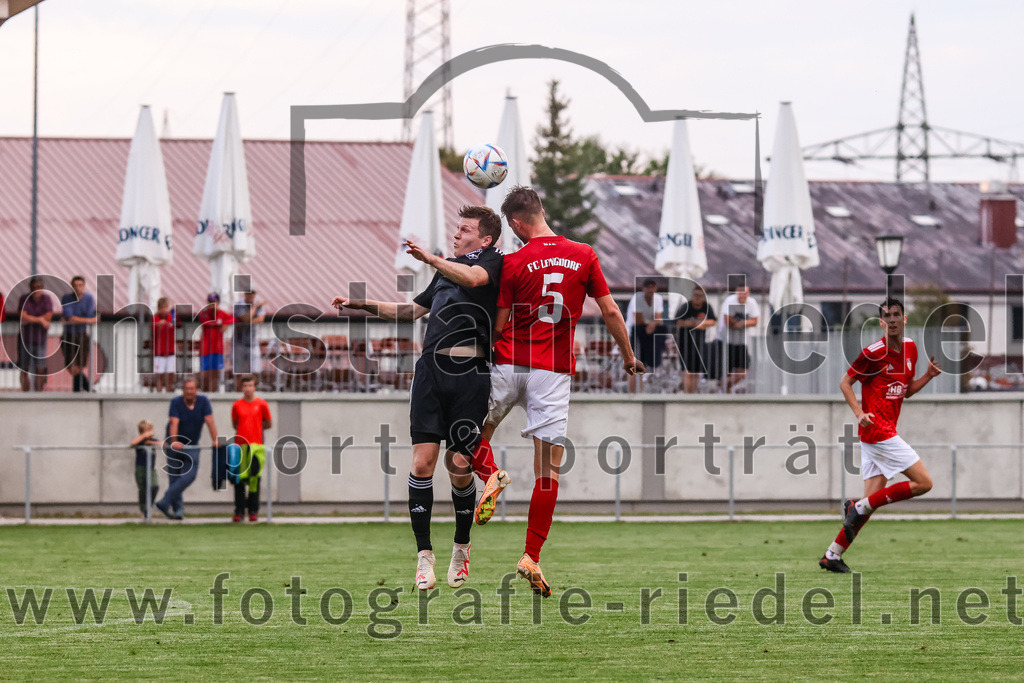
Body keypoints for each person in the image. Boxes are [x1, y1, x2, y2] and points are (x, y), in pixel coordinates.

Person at [469, 185, 643, 597]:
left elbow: (499, 323)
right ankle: (531, 556)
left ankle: (490, 474)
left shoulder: (513, 261)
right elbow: (610, 310)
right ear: (542, 211)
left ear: (515, 223)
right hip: (552, 372)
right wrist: (628, 355)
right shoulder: (584, 255)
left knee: (471, 435)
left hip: (510, 362)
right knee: (547, 472)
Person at [333, 205, 505, 592]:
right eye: (456, 228)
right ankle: (424, 556)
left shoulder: (492, 263)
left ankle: (461, 546)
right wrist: (363, 305)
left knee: (458, 465)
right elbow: (410, 311)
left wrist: (430, 258)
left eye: (465, 229)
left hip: (470, 375)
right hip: (430, 372)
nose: (456, 234)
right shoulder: (445, 272)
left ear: (486, 239)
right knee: (422, 463)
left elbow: (475, 278)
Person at [819, 298, 942, 573]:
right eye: (887, 316)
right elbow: (845, 382)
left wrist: (928, 377)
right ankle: (857, 506)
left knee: (868, 507)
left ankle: (832, 555)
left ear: (904, 319)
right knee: (924, 483)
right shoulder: (873, 353)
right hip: (877, 431)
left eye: (897, 314)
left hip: (882, 434)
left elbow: (906, 391)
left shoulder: (911, 349)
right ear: (881, 322)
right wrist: (859, 413)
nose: (893, 319)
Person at [156, 376, 218, 520]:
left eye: (192, 389)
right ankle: (178, 510)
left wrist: (215, 440)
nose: (189, 391)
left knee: (190, 475)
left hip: (192, 444)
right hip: (174, 443)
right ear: (183, 390)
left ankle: (165, 501)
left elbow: (210, 421)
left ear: (197, 390)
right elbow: (174, 422)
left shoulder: (203, 401)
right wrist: (174, 442)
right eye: (187, 389)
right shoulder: (176, 402)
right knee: (174, 477)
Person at [230, 374, 272, 522]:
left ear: (255, 387)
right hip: (241, 447)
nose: (248, 389)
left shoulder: (262, 404)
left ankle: (253, 510)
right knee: (239, 480)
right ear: (241, 388)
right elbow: (235, 424)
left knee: (255, 478)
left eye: (250, 386)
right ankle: (239, 511)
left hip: (257, 447)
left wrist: (256, 431)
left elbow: (268, 423)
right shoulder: (237, 405)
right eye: (245, 386)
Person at [626, 278, 666, 392]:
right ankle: (632, 393)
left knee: (642, 364)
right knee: (634, 364)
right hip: (633, 333)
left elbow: (659, 318)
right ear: (643, 289)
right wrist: (652, 323)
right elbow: (638, 319)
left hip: (647, 333)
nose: (650, 290)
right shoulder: (637, 298)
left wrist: (652, 324)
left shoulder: (658, 298)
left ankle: (640, 391)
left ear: (655, 288)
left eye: (652, 287)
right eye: (648, 287)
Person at [59, 275, 97, 392]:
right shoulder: (67, 298)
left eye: (80, 285)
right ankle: (89, 388)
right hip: (68, 335)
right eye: (75, 285)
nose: (78, 288)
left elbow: (90, 316)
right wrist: (87, 320)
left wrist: (79, 319)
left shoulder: (89, 298)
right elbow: (70, 317)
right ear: (72, 286)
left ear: (84, 286)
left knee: (80, 365)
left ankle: (76, 391)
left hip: (82, 334)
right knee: (71, 366)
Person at [717, 283, 759, 392]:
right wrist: (744, 323)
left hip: (741, 341)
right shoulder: (730, 301)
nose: (742, 296)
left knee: (742, 372)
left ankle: (723, 386)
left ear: (748, 294)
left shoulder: (752, 302)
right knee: (727, 371)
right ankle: (724, 390)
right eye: (740, 293)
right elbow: (727, 321)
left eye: (745, 293)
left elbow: (755, 321)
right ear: (736, 293)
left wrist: (742, 323)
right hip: (726, 341)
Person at [676, 286, 717, 393]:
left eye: (700, 295)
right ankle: (687, 394)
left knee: (695, 371)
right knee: (687, 370)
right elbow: (679, 321)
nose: (698, 298)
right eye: (696, 295)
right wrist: (696, 324)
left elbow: (713, 321)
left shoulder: (707, 307)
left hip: (700, 343)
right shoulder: (686, 307)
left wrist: (701, 323)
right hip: (685, 343)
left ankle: (693, 394)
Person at [17, 276, 54, 392]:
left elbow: (49, 316)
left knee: (40, 369)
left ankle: (39, 395)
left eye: (38, 287)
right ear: (30, 288)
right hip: (25, 339)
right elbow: (22, 316)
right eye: (33, 287)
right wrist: (40, 320)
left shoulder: (46, 299)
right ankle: (25, 394)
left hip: (40, 340)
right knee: (24, 369)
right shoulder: (24, 298)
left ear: (42, 288)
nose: (36, 289)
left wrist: (31, 319)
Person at [198, 293, 234, 392]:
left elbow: (232, 318)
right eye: (210, 302)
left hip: (217, 348)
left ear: (218, 302)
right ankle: (205, 392)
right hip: (205, 348)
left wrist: (225, 324)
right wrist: (220, 323)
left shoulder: (222, 313)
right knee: (205, 374)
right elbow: (208, 322)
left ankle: (212, 393)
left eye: (213, 302)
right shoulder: (204, 313)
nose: (211, 304)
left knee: (215, 373)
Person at [232, 287, 267, 388]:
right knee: (238, 371)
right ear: (245, 294)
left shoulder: (259, 305)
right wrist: (255, 306)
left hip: (253, 342)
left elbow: (260, 319)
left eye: (253, 293)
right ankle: (239, 392)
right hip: (239, 342)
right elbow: (245, 317)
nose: (251, 295)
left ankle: (253, 391)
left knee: (255, 370)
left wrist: (248, 322)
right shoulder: (239, 305)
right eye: (249, 293)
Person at [129, 420, 161, 516]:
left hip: (151, 469)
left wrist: (151, 442)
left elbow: (164, 444)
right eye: (148, 430)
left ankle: (149, 506)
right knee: (143, 489)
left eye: (151, 430)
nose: (150, 432)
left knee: (154, 486)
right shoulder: (140, 441)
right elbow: (133, 443)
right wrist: (143, 436)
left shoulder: (153, 441)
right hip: (140, 468)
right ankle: (144, 509)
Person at [151, 297, 177, 393]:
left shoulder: (171, 317)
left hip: (170, 351)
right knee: (159, 374)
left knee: (170, 373)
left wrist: (173, 313)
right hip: (159, 352)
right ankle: (159, 393)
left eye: (166, 307)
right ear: (158, 308)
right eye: (162, 307)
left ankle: (169, 391)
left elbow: (176, 325)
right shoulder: (155, 318)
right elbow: (153, 331)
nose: (164, 310)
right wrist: (160, 324)